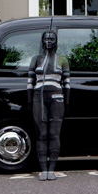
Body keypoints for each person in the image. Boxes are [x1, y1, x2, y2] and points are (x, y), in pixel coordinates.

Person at [28, 30, 70, 181]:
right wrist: (29, 101)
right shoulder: (36, 59)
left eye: (52, 39)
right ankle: (43, 169)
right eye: (46, 38)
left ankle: (51, 168)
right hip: (38, 97)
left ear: (56, 41)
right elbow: (30, 83)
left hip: (57, 98)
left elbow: (67, 84)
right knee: (42, 134)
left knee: (54, 134)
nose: (49, 41)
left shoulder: (63, 60)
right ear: (42, 41)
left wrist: (67, 102)